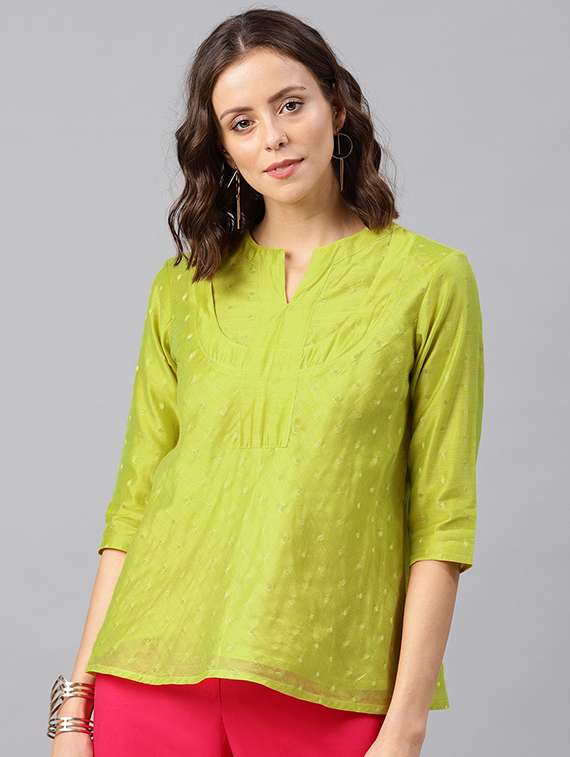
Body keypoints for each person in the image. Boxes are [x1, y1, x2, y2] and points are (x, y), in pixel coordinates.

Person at [47, 8, 485, 757]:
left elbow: (441, 519)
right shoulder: (184, 286)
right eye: (242, 123)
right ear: (221, 146)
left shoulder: (429, 280)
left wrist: (405, 725)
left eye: (290, 104)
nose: (273, 137)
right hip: (150, 677)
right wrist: (75, 708)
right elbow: (134, 504)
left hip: (328, 686)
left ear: (336, 107)